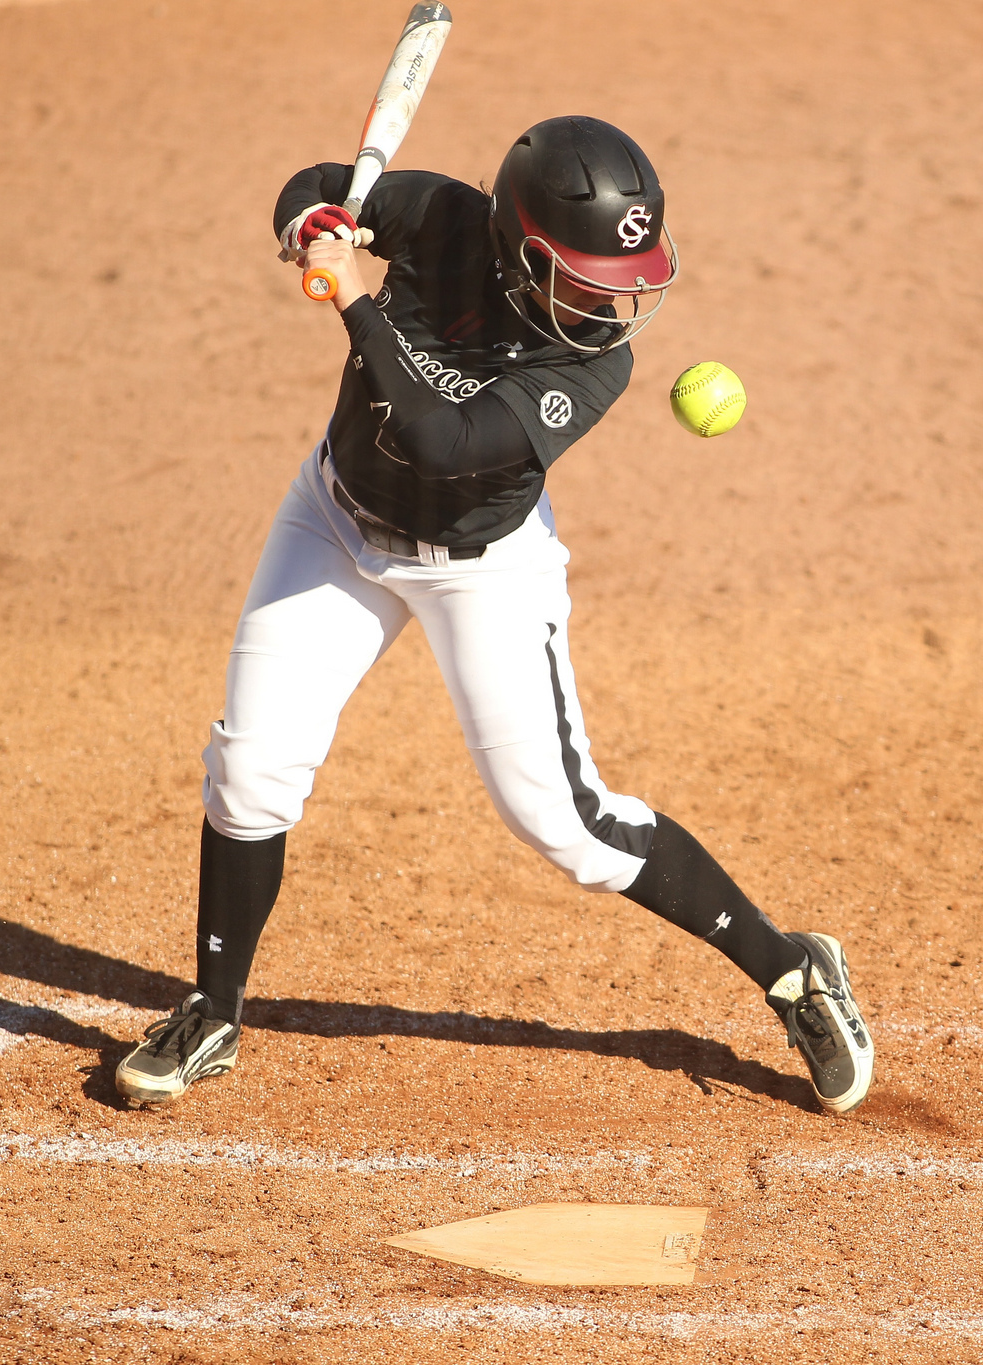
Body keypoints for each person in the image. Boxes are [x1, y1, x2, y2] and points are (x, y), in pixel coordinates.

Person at [113, 116, 874, 1115]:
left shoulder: (594, 367)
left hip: (480, 570)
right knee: (249, 774)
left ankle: (791, 970)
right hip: (335, 523)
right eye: (588, 277)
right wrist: (313, 224)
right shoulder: (437, 215)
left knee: (569, 828)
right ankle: (211, 1010)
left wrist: (353, 295)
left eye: (627, 275)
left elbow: (440, 439)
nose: (614, 303)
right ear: (516, 251)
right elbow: (316, 179)